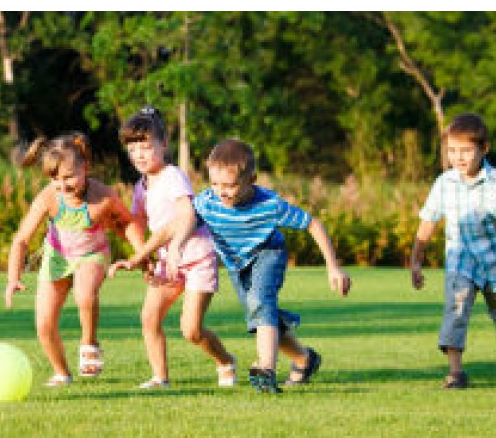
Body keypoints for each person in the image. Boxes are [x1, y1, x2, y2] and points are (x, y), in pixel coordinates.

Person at [112, 138, 351, 394]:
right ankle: (304, 359)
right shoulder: (209, 201)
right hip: (237, 264)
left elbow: (312, 223)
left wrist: (333, 267)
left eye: (230, 185)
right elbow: (177, 224)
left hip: (268, 253)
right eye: (214, 184)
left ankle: (266, 370)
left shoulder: (269, 205)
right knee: (260, 315)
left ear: (251, 179)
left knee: (260, 302)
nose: (221, 191)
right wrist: (153, 252)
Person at [108, 106, 236, 389]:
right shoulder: (141, 185)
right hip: (168, 262)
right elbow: (137, 222)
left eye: (145, 146)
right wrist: (143, 257)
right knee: (149, 317)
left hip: (196, 256)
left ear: (163, 144)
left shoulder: (172, 176)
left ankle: (225, 361)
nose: (139, 154)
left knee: (191, 330)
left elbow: (186, 215)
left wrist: (176, 245)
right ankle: (160, 378)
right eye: (133, 149)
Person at [6, 132, 145, 387]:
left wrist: (142, 255)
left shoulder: (102, 196)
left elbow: (126, 224)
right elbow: (21, 239)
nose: (63, 185)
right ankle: (61, 372)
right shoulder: (49, 197)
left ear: (86, 167)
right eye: (55, 179)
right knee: (44, 324)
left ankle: (89, 342)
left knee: (84, 294)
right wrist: (13, 277)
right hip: (57, 257)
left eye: (69, 177)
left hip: (92, 254)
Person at [409, 113, 496, 389]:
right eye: (452, 150)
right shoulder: (444, 183)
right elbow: (427, 224)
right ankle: (456, 373)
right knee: (456, 310)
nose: (458, 157)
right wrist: (416, 262)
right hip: (460, 263)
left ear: (484, 148)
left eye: (465, 150)